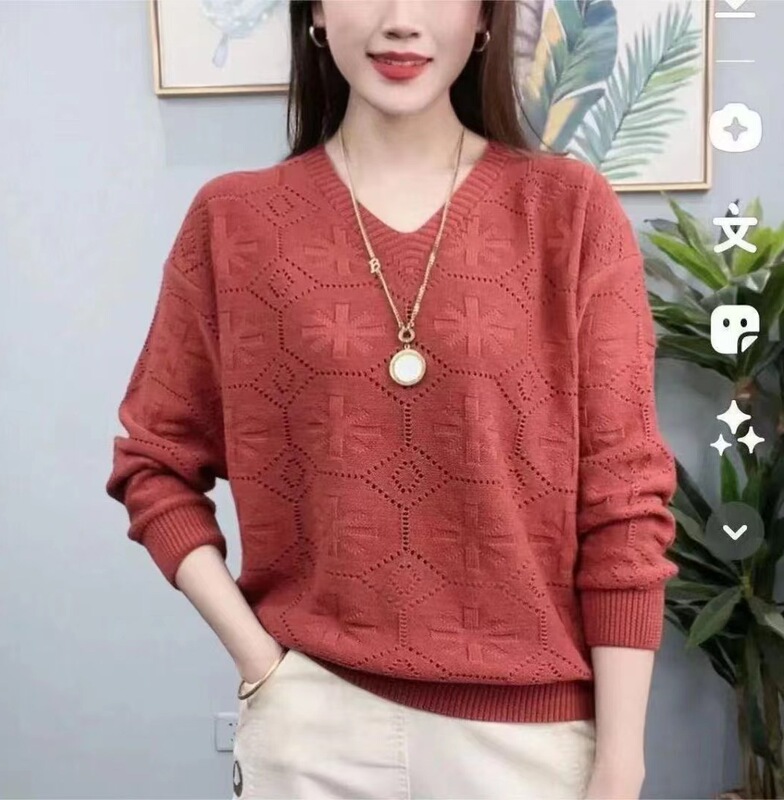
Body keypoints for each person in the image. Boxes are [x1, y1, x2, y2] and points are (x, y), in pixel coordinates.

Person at [105, 1, 680, 798]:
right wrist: (262, 663)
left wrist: (620, 761)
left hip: (533, 743)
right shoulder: (234, 220)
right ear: (315, 13)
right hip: (314, 731)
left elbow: (623, 498)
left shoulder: (567, 211)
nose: (402, 20)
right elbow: (154, 462)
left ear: (485, 20)